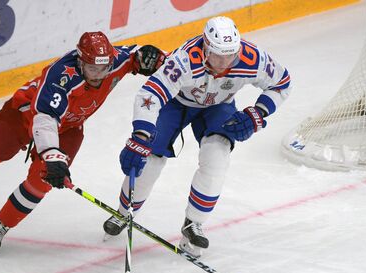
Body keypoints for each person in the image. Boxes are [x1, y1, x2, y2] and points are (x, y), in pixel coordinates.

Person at [0, 31, 165, 252]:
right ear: (80, 61)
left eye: (104, 68)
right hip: (26, 113)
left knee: (43, 179)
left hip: (68, 127)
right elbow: (45, 120)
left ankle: (4, 223)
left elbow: (143, 56)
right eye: (93, 68)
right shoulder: (61, 76)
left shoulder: (115, 61)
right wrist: (53, 155)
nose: (99, 75)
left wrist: (156, 58)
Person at [103, 16, 291, 257]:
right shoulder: (183, 61)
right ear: (205, 47)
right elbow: (149, 94)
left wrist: (258, 113)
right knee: (149, 158)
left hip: (218, 106)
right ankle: (123, 211)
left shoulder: (252, 58)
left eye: (230, 55)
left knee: (218, 156)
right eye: (218, 56)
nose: (224, 63)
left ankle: (194, 224)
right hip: (177, 104)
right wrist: (141, 136)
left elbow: (282, 83)